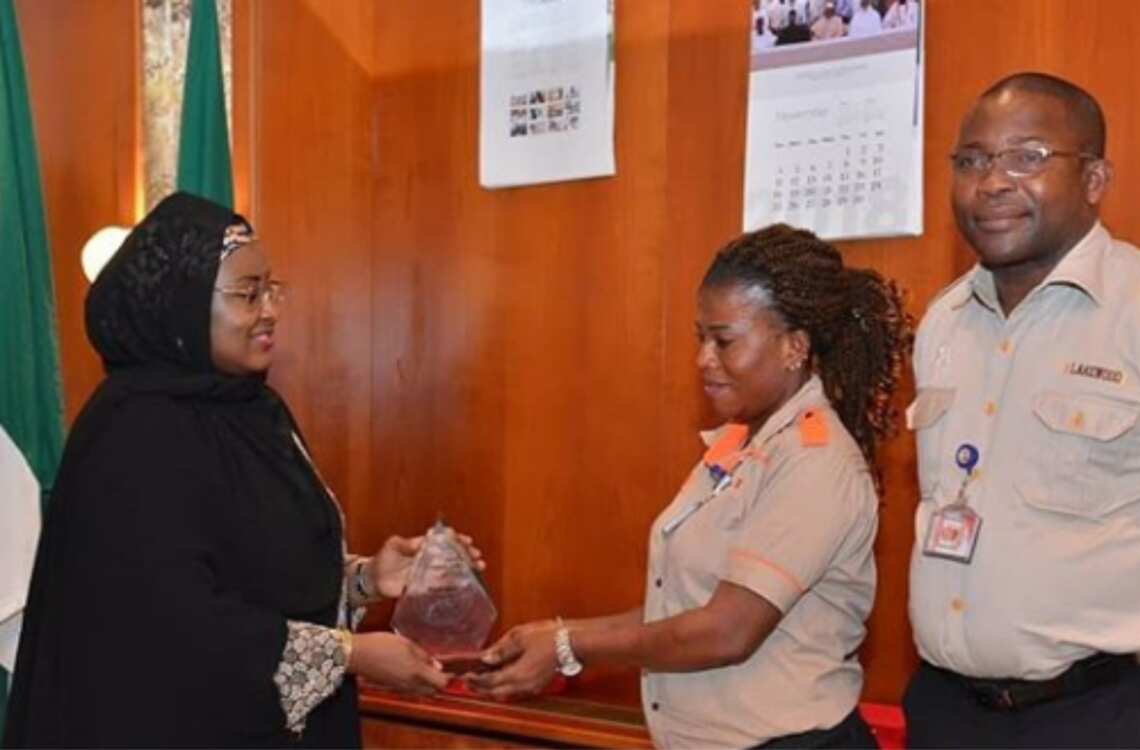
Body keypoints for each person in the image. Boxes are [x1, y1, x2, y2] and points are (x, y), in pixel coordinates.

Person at [3, 192, 482, 747]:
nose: (270, 310)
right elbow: (173, 621)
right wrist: (350, 654)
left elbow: (258, 573)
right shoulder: (133, 432)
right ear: (180, 304)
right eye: (247, 294)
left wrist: (367, 578)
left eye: (272, 289)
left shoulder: (256, 412)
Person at [467, 225, 913, 749]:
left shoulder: (815, 460)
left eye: (723, 340)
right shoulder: (741, 442)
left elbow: (728, 631)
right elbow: (686, 606)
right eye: (699, 337)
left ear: (794, 346)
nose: (703, 359)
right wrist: (557, 636)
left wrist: (572, 644)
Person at [904, 72, 1140, 748]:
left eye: (1027, 157)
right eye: (972, 160)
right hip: (949, 712)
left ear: (1095, 179)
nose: (992, 182)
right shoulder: (944, 322)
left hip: (1111, 716)